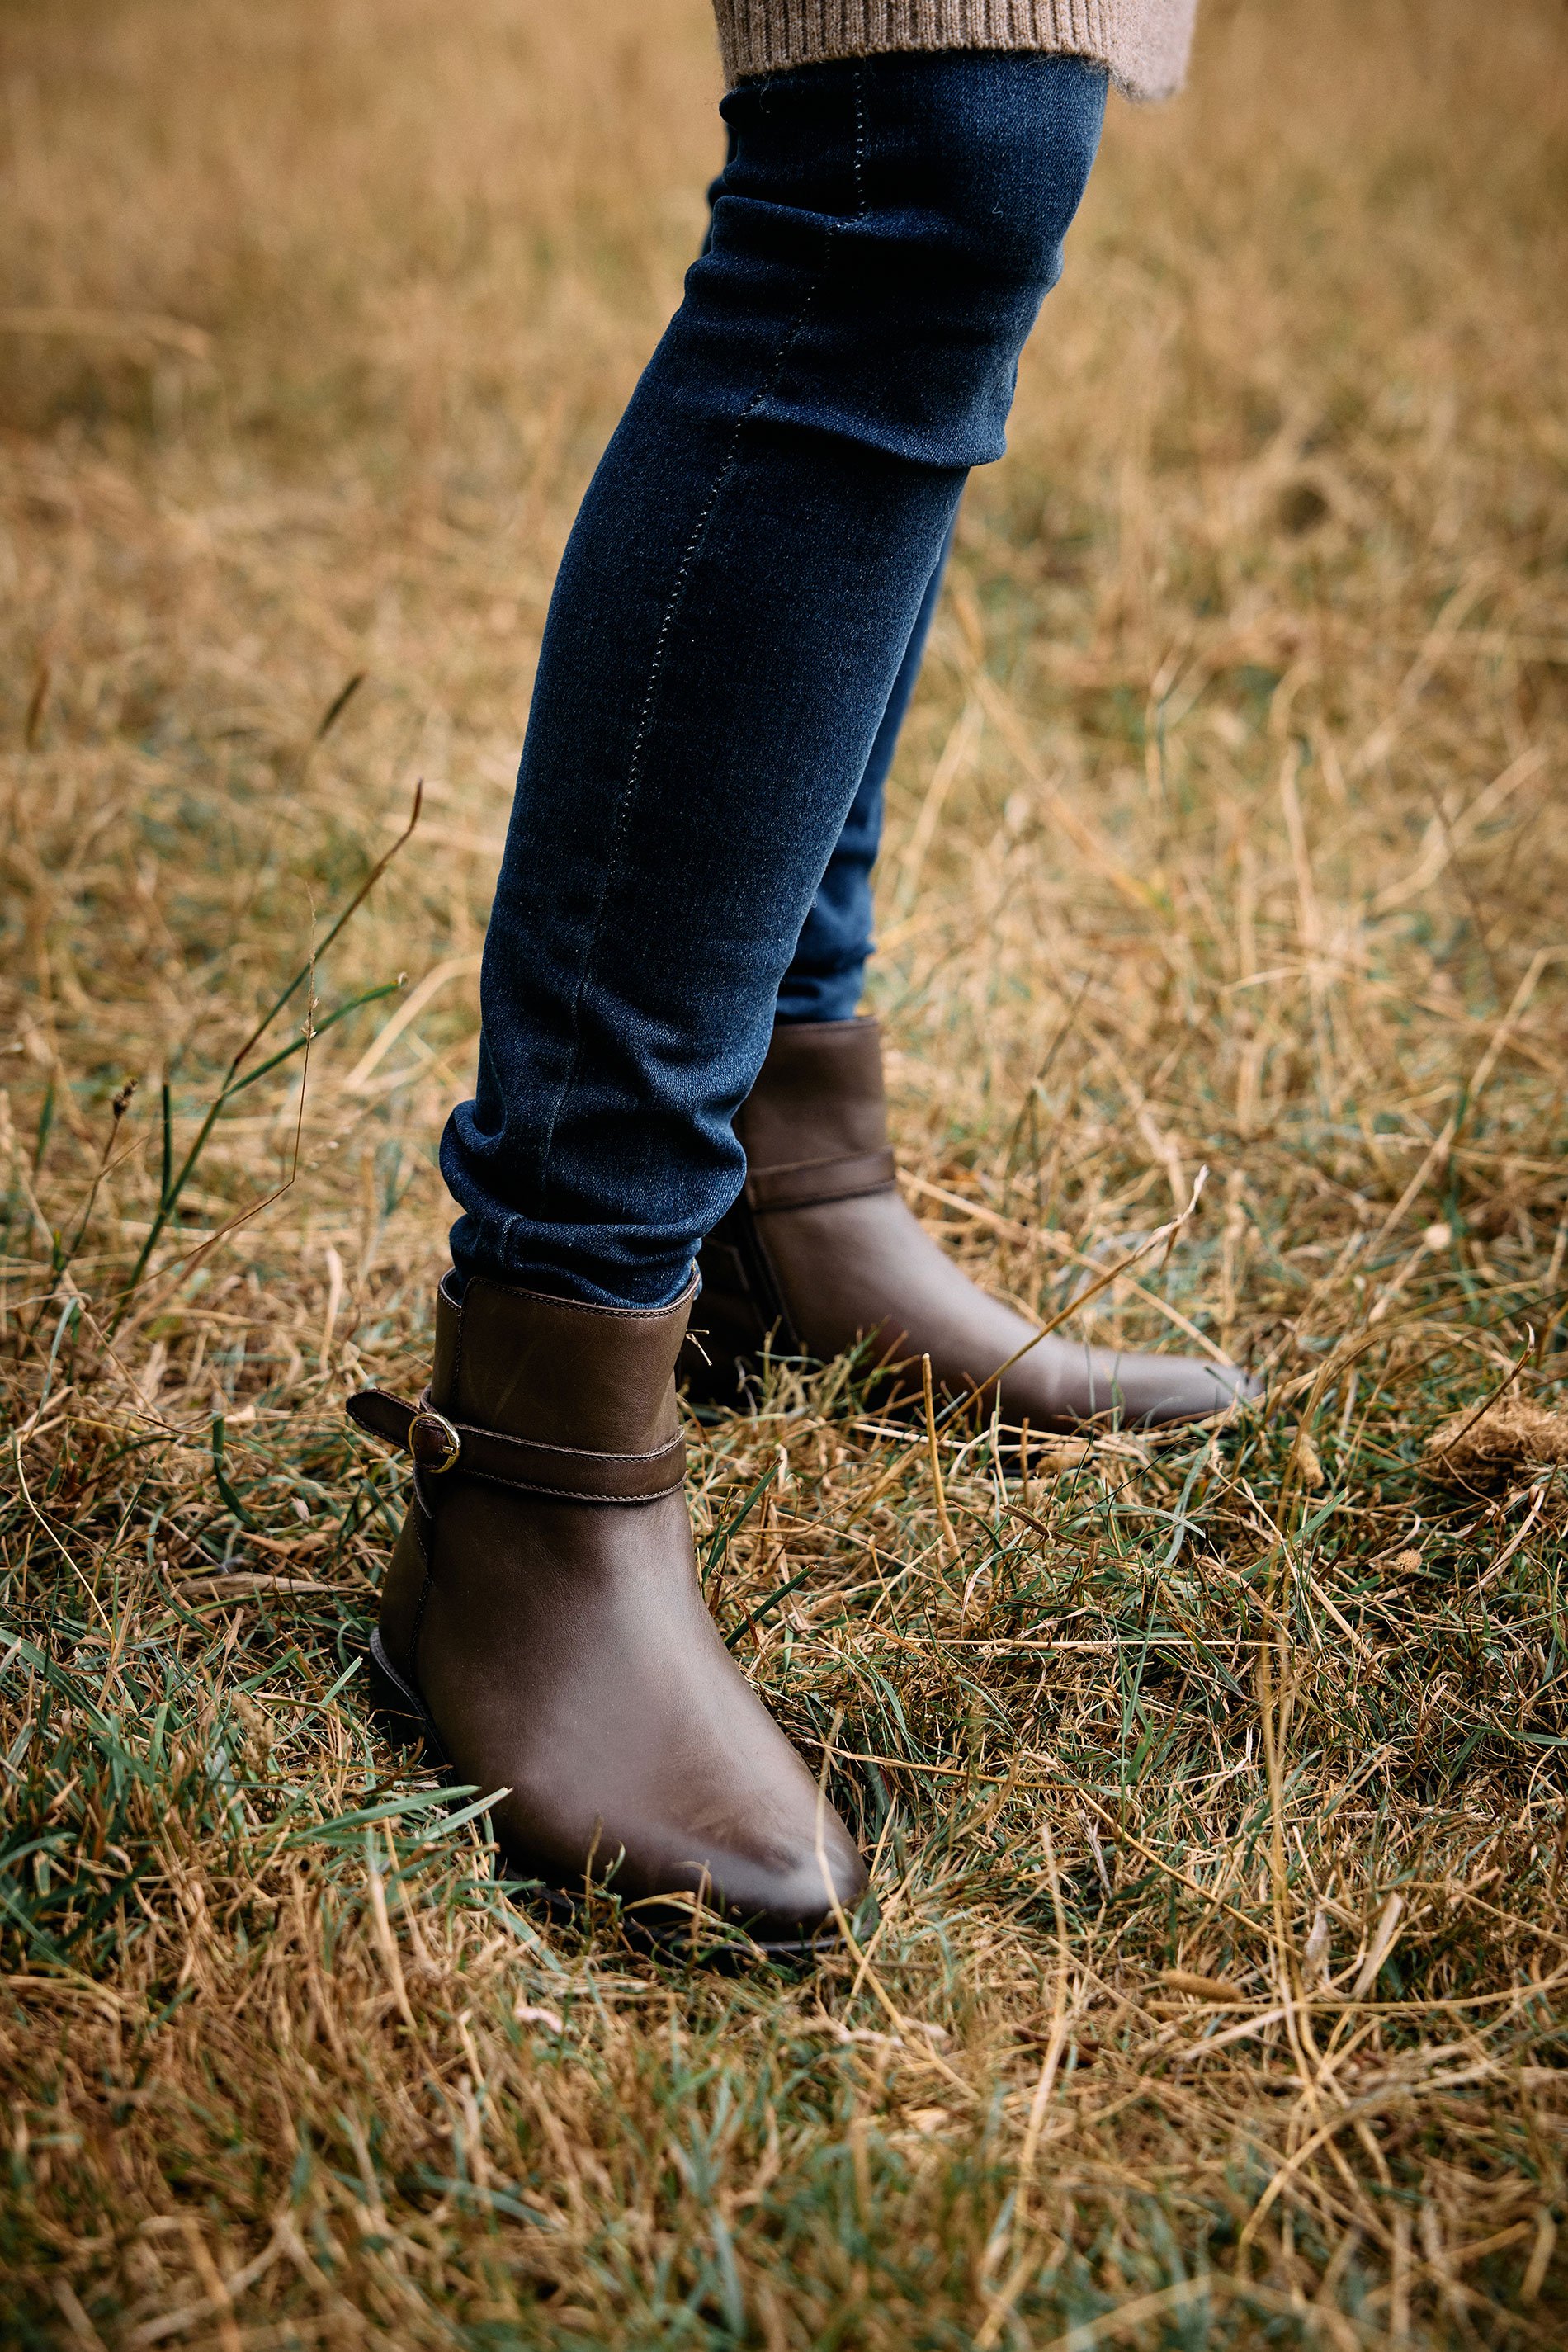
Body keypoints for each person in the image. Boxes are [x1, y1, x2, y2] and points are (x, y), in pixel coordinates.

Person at [351, 0, 1252, 1953]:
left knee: (969, 176)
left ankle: (790, 1182)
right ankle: (539, 1429)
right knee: (914, 161)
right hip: (537, 1457)